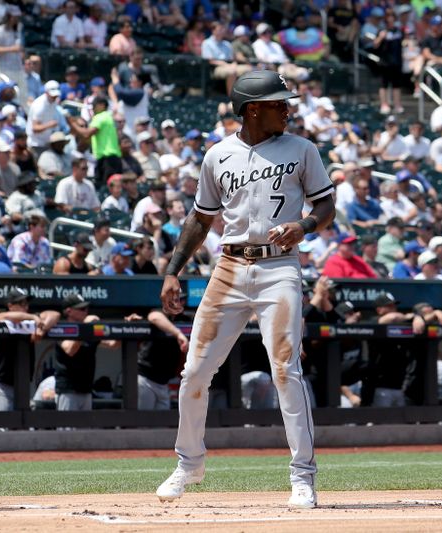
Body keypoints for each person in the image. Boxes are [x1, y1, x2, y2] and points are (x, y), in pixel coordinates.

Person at [157, 71, 335, 509]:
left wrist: (306, 224)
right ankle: (189, 463)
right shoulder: (219, 155)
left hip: (279, 268)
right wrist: (172, 270)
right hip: (230, 267)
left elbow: (327, 205)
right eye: (279, 103)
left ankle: (302, 476)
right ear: (254, 108)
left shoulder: (302, 149)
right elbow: (201, 218)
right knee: (195, 373)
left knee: (284, 370)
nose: (287, 108)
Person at [0, 288, 60, 411]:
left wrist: (41, 329)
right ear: (10, 305)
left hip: (23, 383)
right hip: (2, 383)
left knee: (24, 423)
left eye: (26, 303)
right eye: (21, 303)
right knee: (5, 424)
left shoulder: (31, 322)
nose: (25, 306)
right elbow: (2, 316)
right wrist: (33, 317)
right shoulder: (4, 317)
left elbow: (55, 314)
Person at [54, 294, 120, 410]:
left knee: (85, 428)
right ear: (69, 311)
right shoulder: (63, 328)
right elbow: (70, 350)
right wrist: (85, 327)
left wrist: (124, 326)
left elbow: (113, 344)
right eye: (81, 309)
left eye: (86, 308)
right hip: (68, 390)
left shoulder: (91, 328)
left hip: (86, 389)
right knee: (67, 427)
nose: (86, 311)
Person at [138, 292, 192, 409]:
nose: (181, 303)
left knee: (161, 424)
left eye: (182, 300)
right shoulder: (159, 313)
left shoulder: (184, 319)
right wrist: (178, 334)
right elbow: (154, 317)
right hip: (146, 379)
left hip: (164, 382)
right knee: (142, 423)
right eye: (177, 300)